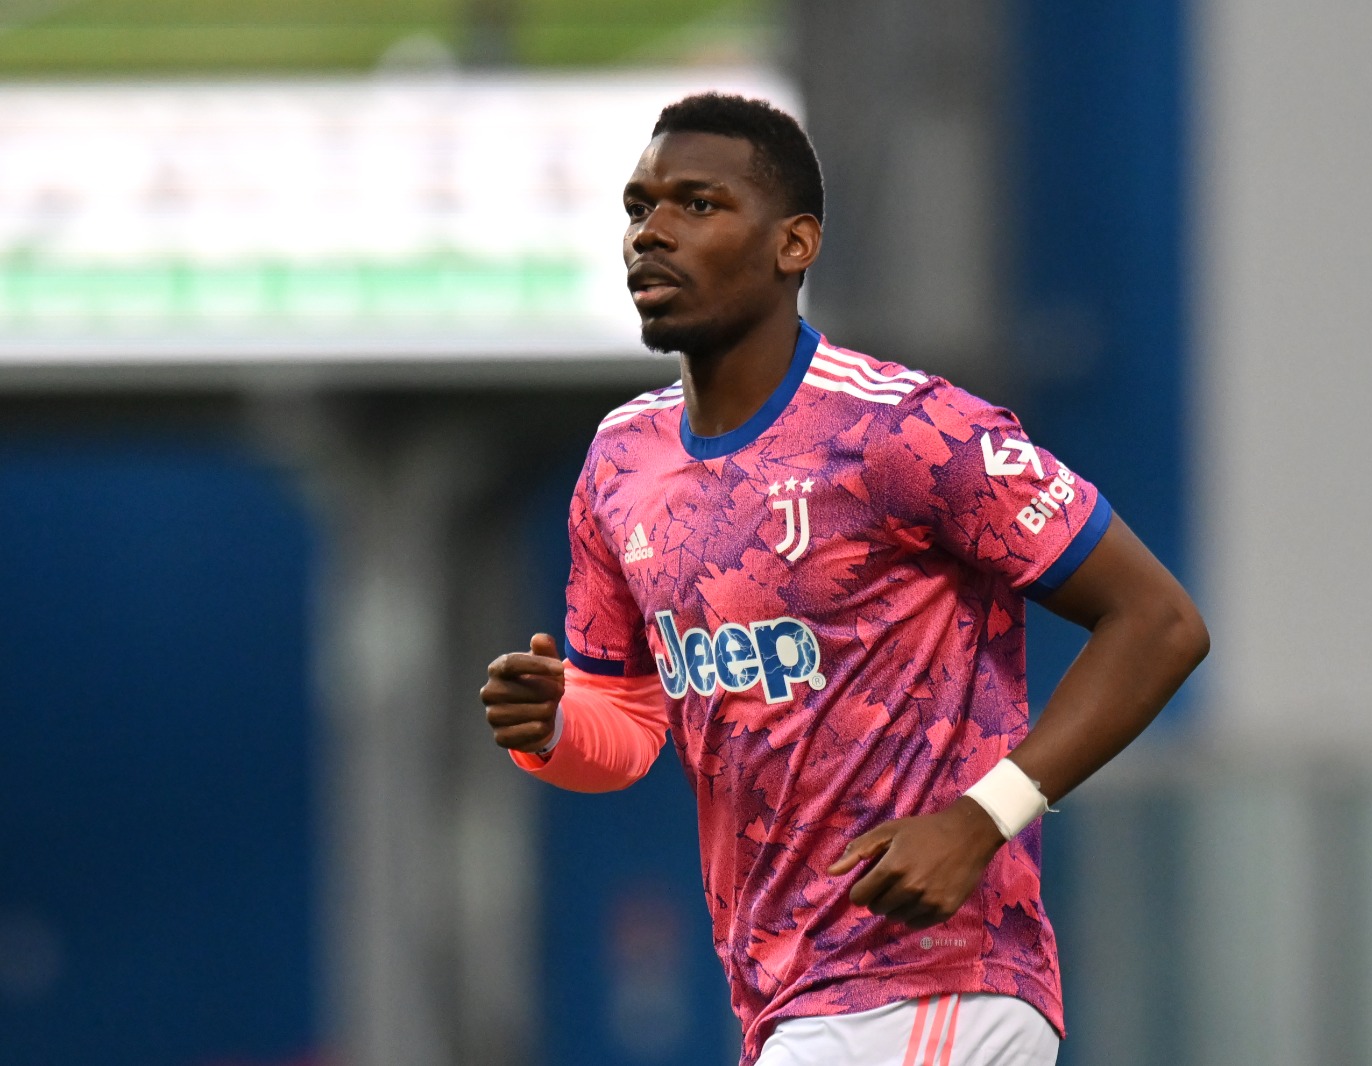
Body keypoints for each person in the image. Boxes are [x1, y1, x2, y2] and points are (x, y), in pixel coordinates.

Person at [480, 93, 1208, 1066]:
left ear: (795, 244)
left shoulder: (906, 433)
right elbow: (624, 731)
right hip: (788, 1003)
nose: (650, 232)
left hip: (936, 979)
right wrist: (555, 726)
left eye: (697, 205)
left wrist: (979, 819)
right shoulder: (621, 464)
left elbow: (1157, 621)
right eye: (638, 206)